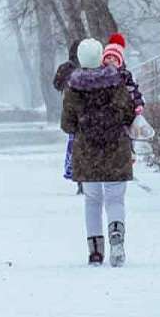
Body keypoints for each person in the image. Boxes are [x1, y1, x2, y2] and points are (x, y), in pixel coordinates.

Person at [61, 38, 135, 267]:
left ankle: (95, 251)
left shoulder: (74, 87)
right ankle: (117, 239)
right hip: (115, 148)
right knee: (115, 200)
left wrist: (84, 125)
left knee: (92, 201)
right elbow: (128, 113)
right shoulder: (116, 82)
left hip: (88, 152)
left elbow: (67, 124)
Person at [53, 41, 83, 194]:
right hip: (85, 112)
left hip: (73, 111)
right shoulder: (89, 67)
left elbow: (56, 84)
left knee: (75, 144)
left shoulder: (67, 68)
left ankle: (79, 177)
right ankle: (83, 178)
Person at [102, 33, 145, 114]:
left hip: (121, 110)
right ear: (103, 59)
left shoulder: (125, 75)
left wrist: (138, 104)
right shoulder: (100, 74)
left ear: (119, 63)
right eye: (108, 58)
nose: (111, 61)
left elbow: (133, 91)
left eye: (115, 59)